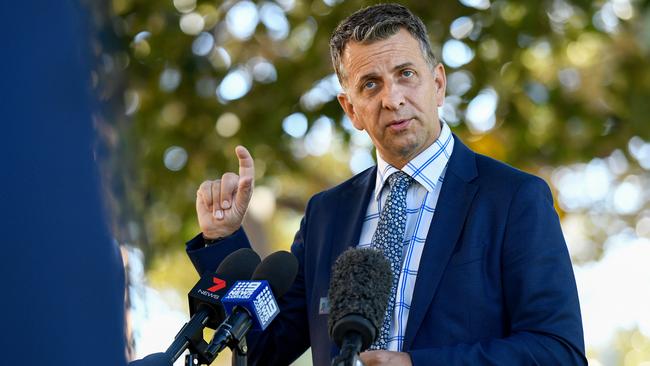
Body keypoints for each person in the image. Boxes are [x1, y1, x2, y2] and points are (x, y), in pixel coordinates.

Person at [186, 4, 586, 365]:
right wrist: (223, 240)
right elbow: (261, 349)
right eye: (371, 84)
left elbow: (558, 352)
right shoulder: (327, 214)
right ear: (351, 110)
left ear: (439, 84)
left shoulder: (513, 198)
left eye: (406, 75)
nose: (392, 98)